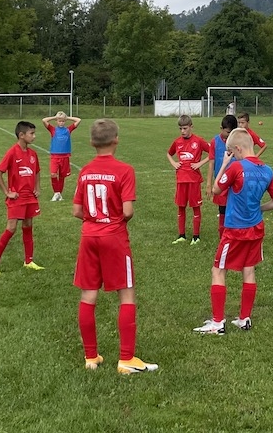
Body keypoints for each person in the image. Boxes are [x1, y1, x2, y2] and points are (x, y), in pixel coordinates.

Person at [73, 119, 158, 374]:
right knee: (126, 294)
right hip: (114, 237)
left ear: (91, 142)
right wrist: (111, 221)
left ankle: (91, 357)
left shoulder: (85, 171)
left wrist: (95, 220)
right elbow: (128, 211)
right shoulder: (124, 170)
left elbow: (77, 210)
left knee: (88, 295)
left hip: (88, 236)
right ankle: (126, 359)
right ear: (116, 140)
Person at [193, 129, 273, 334]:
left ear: (238, 148)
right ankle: (244, 318)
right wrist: (259, 208)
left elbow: (216, 189)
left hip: (235, 229)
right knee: (248, 269)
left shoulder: (236, 167)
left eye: (232, 152)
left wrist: (225, 163)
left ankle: (217, 323)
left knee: (218, 270)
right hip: (256, 227)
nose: (232, 155)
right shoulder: (267, 170)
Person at [0, 121, 44, 275]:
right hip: (17, 198)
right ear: (21, 135)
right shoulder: (12, 152)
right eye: (31, 133)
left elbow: (37, 171)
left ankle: (29, 261)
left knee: (28, 225)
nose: (34, 136)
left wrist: (37, 187)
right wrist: (7, 192)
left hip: (30, 197)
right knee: (11, 228)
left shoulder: (33, 154)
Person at [166, 114, 210, 245]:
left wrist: (199, 163)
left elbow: (212, 152)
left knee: (195, 207)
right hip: (181, 179)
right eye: (180, 129)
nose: (182, 131)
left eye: (185, 128)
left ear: (191, 127)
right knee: (181, 207)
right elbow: (169, 153)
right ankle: (182, 235)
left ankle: (196, 236)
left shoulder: (198, 141)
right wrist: (174, 163)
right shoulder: (177, 142)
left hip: (194, 180)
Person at [208, 115, 239, 234]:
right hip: (221, 183)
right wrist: (209, 184)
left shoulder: (238, 143)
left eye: (232, 133)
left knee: (235, 210)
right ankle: (223, 236)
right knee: (222, 210)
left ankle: (234, 235)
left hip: (236, 183)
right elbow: (211, 163)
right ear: (221, 128)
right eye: (228, 132)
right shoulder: (215, 141)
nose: (229, 135)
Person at [42, 111, 82, 202]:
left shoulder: (68, 130)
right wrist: (55, 117)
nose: (61, 123)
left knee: (62, 176)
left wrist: (67, 117)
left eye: (63, 121)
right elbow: (44, 120)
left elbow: (78, 120)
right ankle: (56, 192)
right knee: (53, 174)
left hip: (65, 156)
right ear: (57, 121)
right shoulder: (53, 130)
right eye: (59, 121)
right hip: (55, 156)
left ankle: (59, 194)